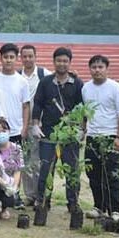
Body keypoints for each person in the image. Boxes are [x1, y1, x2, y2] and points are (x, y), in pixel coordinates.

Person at [31, 47, 84, 215]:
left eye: (65, 61)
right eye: (59, 60)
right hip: (49, 133)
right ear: (54, 62)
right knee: (46, 169)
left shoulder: (77, 84)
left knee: (72, 170)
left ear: (70, 63)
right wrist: (35, 124)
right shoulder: (46, 82)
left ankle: (73, 203)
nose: (62, 64)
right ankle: (43, 201)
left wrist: (82, 129)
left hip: (70, 134)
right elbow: (38, 103)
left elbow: (82, 108)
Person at [82, 55, 119, 220]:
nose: (97, 70)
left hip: (110, 137)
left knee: (112, 175)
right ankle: (98, 206)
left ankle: (115, 210)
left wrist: (118, 137)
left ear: (107, 69)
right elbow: (85, 113)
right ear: (90, 69)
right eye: (94, 67)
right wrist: (83, 130)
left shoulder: (116, 88)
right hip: (93, 137)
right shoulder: (86, 88)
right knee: (93, 175)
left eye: (100, 67)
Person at [17, 45, 50, 205]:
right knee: (24, 161)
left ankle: (39, 194)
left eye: (31, 56)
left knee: (37, 161)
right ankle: (29, 195)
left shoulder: (44, 74)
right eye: (25, 56)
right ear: (21, 58)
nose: (28, 59)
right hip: (20, 124)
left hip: (38, 124)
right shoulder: (17, 76)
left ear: (36, 57)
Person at [0, 44, 31, 144]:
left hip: (16, 131)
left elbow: (26, 106)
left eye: (11, 57)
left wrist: (24, 129)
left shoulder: (23, 81)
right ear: (0, 58)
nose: (8, 60)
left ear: (17, 59)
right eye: (5, 57)